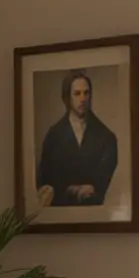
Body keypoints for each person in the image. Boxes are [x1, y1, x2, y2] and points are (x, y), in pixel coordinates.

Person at [36, 70, 118, 208]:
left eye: (86, 93)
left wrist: (91, 189)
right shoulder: (53, 136)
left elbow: (104, 179)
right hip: (60, 214)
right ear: (67, 97)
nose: (82, 99)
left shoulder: (106, 137)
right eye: (77, 93)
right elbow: (45, 178)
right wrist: (70, 190)